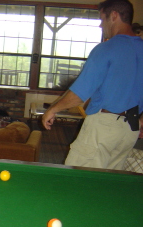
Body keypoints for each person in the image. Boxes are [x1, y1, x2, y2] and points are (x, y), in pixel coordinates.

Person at [42, 0, 143, 170]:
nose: (100, 25)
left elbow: (79, 94)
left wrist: (52, 110)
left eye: (102, 19)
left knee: (78, 179)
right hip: (130, 129)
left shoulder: (106, 49)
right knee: (107, 183)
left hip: (103, 127)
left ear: (114, 16)